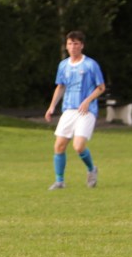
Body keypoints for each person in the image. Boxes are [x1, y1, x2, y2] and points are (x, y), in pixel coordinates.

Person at [44, 30, 106, 190]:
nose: (73, 47)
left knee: (78, 146)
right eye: (70, 43)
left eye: (76, 43)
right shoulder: (63, 65)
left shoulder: (90, 65)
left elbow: (101, 87)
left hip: (86, 111)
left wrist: (87, 101)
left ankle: (92, 169)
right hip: (68, 110)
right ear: (66, 46)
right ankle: (59, 181)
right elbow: (61, 86)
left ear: (82, 45)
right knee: (59, 146)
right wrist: (52, 106)